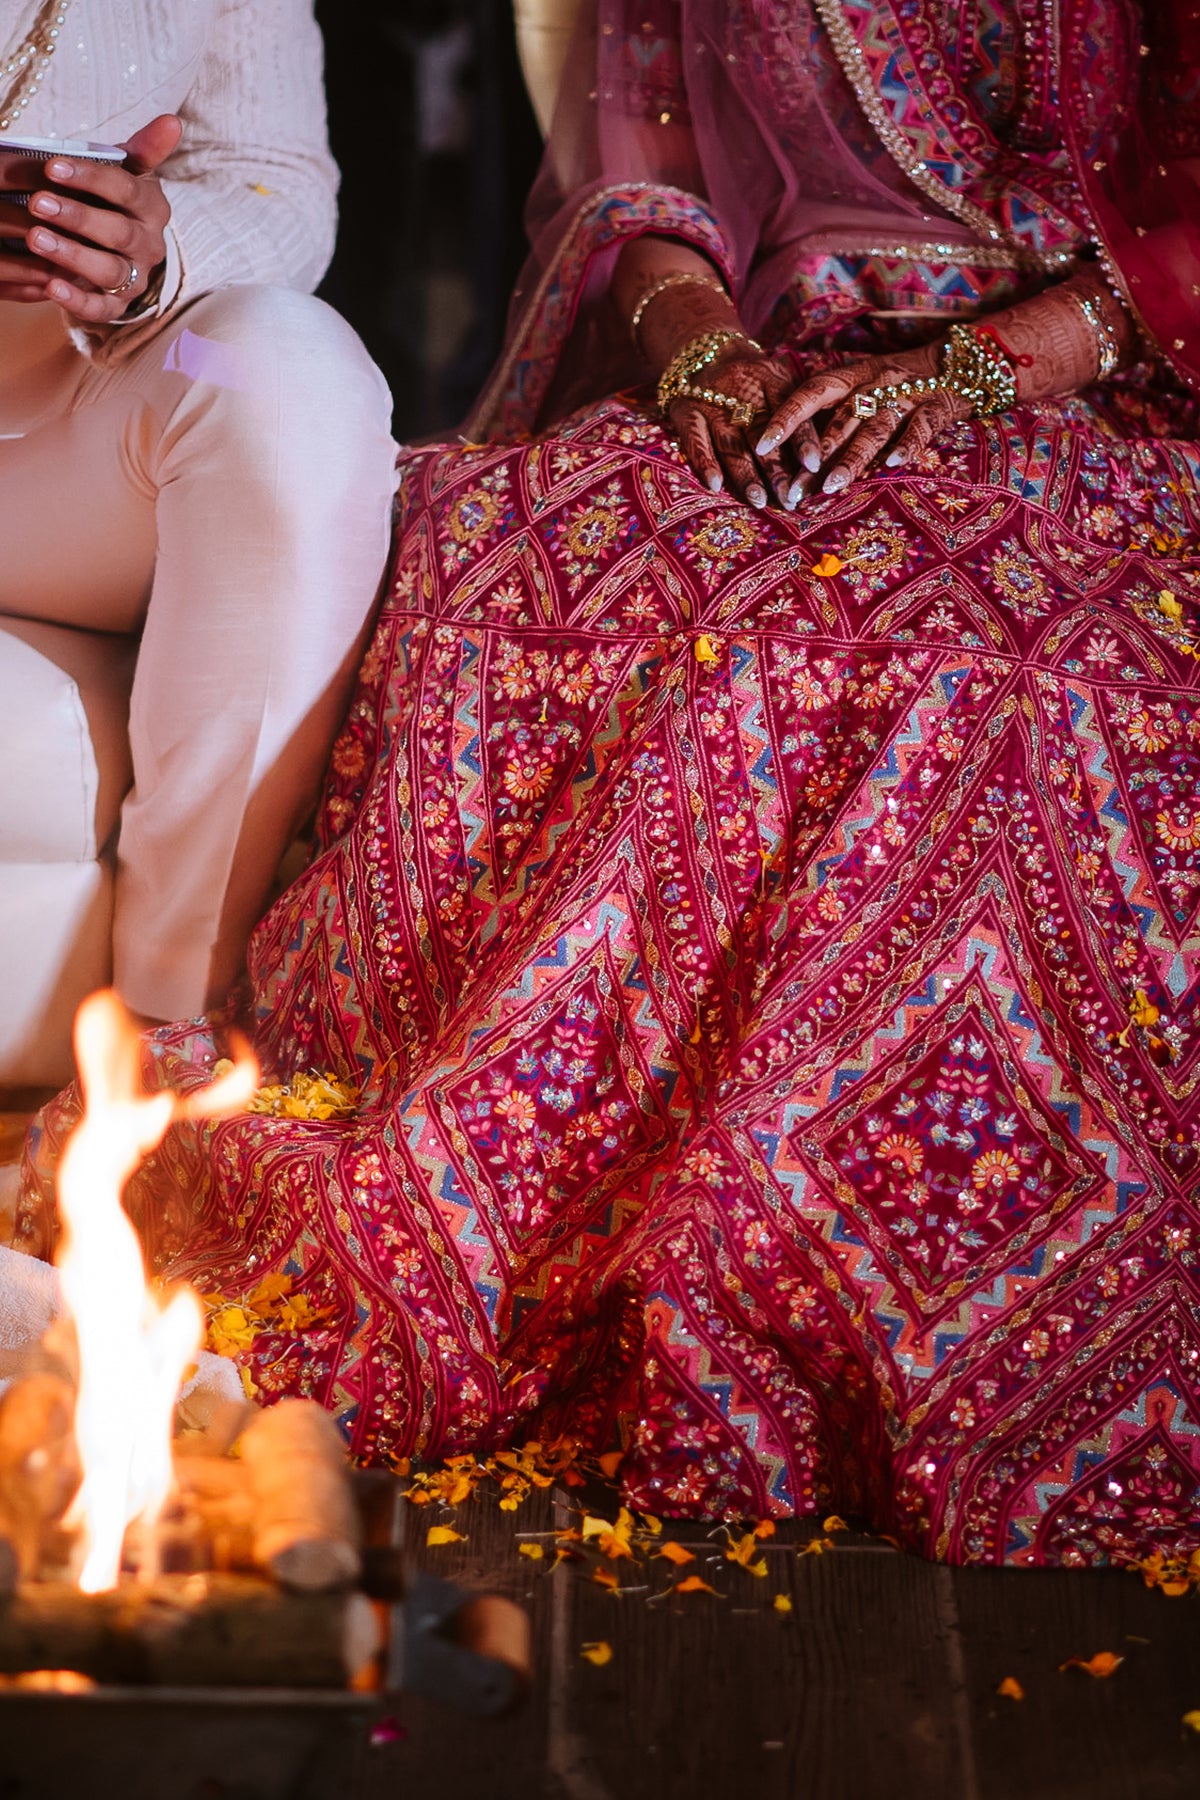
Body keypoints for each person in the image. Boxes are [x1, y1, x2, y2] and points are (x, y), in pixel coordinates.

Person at [18, 0, 1200, 1568]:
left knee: (1019, 664)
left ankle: (788, 1268)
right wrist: (698, 346)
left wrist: (968, 377)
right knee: (563, 595)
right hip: (756, 364)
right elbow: (638, 170)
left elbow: (274, 181)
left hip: (1084, 392)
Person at [0, 0, 397, 1024]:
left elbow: (275, 176)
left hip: (77, 387)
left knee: (282, 373)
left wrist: (148, 262)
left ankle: (162, 1044)